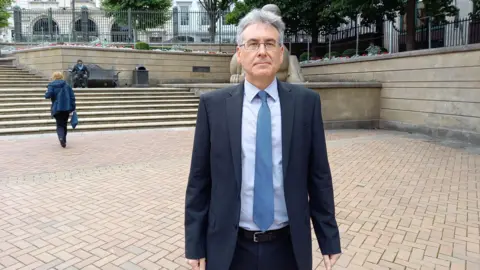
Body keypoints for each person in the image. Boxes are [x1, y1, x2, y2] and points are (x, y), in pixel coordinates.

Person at [184, 8, 341, 270]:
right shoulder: (213, 106)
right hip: (230, 247)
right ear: (240, 52)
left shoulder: (306, 104)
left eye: (270, 43)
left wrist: (329, 238)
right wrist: (194, 244)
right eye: (253, 44)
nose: (262, 51)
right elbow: (199, 181)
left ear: (281, 52)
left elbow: (319, 176)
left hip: (287, 247)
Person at [45, 71, 76, 148]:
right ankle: (64, 140)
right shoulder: (67, 85)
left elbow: (47, 96)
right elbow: (72, 97)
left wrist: (47, 91)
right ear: (62, 77)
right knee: (64, 124)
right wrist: (73, 107)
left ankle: (61, 138)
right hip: (66, 107)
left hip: (56, 108)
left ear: (54, 77)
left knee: (59, 125)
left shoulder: (51, 85)